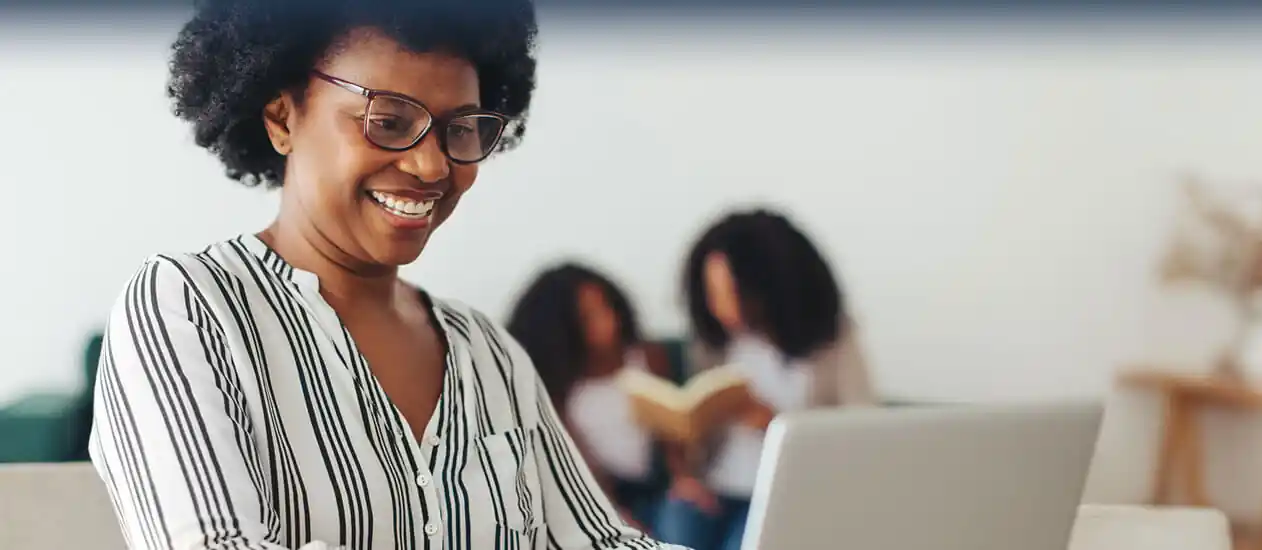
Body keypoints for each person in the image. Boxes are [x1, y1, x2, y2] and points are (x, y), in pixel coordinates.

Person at [87, 0, 679, 548]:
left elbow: (602, 541)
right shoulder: (186, 308)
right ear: (281, 117)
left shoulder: (490, 354)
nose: (431, 164)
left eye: (460, 128)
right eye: (388, 119)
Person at [653, 208, 878, 550]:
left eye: (734, 293)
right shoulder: (713, 343)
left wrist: (776, 423)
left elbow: (863, 426)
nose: (724, 308)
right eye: (714, 294)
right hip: (714, 485)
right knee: (675, 523)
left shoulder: (832, 339)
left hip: (783, 489)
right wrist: (684, 471)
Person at [507, 263, 669, 531]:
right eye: (589, 318)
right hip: (596, 494)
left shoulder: (647, 356)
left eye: (608, 308)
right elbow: (571, 464)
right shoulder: (552, 386)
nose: (609, 323)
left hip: (657, 490)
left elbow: (671, 434)